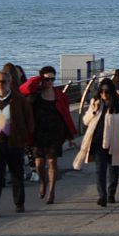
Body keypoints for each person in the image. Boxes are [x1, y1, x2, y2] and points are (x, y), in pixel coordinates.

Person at [20, 66, 76, 204]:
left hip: (55, 133)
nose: (50, 81)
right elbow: (23, 89)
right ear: (42, 79)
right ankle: (43, 182)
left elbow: (66, 116)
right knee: (39, 164)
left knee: (52, 162)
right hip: (39, 134)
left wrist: (70, 137)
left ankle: (51, 191)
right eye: (47, 79)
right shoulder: (35, 96)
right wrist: (38, 80)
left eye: (52, 79)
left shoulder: (60, 96)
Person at [0, 72, 33, 217]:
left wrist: (23, 138)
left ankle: (19, 203)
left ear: (9, 83)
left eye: (3, 82)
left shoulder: (19, 100)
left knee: (17, 173)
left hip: (14, 143)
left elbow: (29, 120)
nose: (0, 85)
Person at [76, 78, 119, 206]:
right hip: (98, 141)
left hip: (114, 141)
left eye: (107, 92)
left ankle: (111, 193)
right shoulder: (96, 103)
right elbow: (86, 121)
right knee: (100, 169)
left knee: (113, 168)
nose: (104, 95)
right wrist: (94, 110)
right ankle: (102, 196)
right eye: (102, 92)